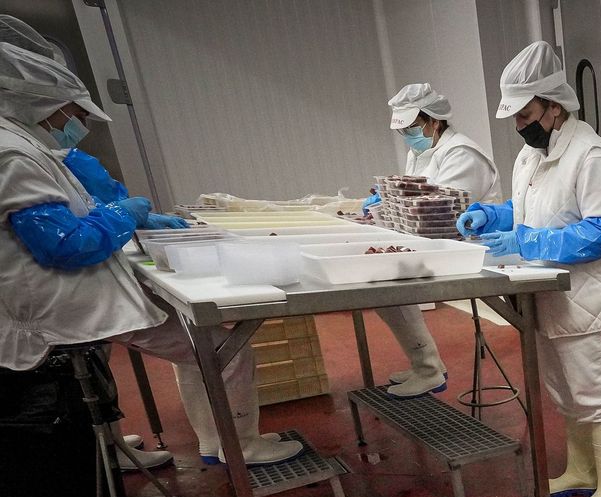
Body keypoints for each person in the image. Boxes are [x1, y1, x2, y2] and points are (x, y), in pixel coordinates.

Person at [0, 44, 301, 466]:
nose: (76, 122)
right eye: (73, 112)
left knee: (177, 346)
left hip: (69, 295)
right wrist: (125, 214)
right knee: (223, 351)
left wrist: (130, 218)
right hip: (67, 302)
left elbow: (62, 218)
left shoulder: (22, 143)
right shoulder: (13, 153)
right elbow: (62, 244)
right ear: (43, 102)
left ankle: (191, 443)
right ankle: (243, 446)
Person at [457, 41, 601, 497]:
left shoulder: (591, 155)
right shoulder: (532, 155)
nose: (519, 126)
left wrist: (526, 242)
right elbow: (531, 207)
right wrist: (495, 217)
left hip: (588, 299)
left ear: (553, 106)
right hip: (548, 295)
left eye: (524, 115)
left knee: (596, 390)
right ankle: (580, 470)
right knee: (565, 392)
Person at [364, 83, 501, 399]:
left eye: (412, 128)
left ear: (434, 121)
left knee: (386, 278)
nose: (408, 137)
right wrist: (383, 200)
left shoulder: (462, 154)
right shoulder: (422, 151)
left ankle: (428, 370)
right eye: (404, 131)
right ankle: (426, 364)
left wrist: (389, 206)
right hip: (436, 242)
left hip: (468, 246)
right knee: (379, 278)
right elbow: (413, 198)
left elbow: (438, 210)